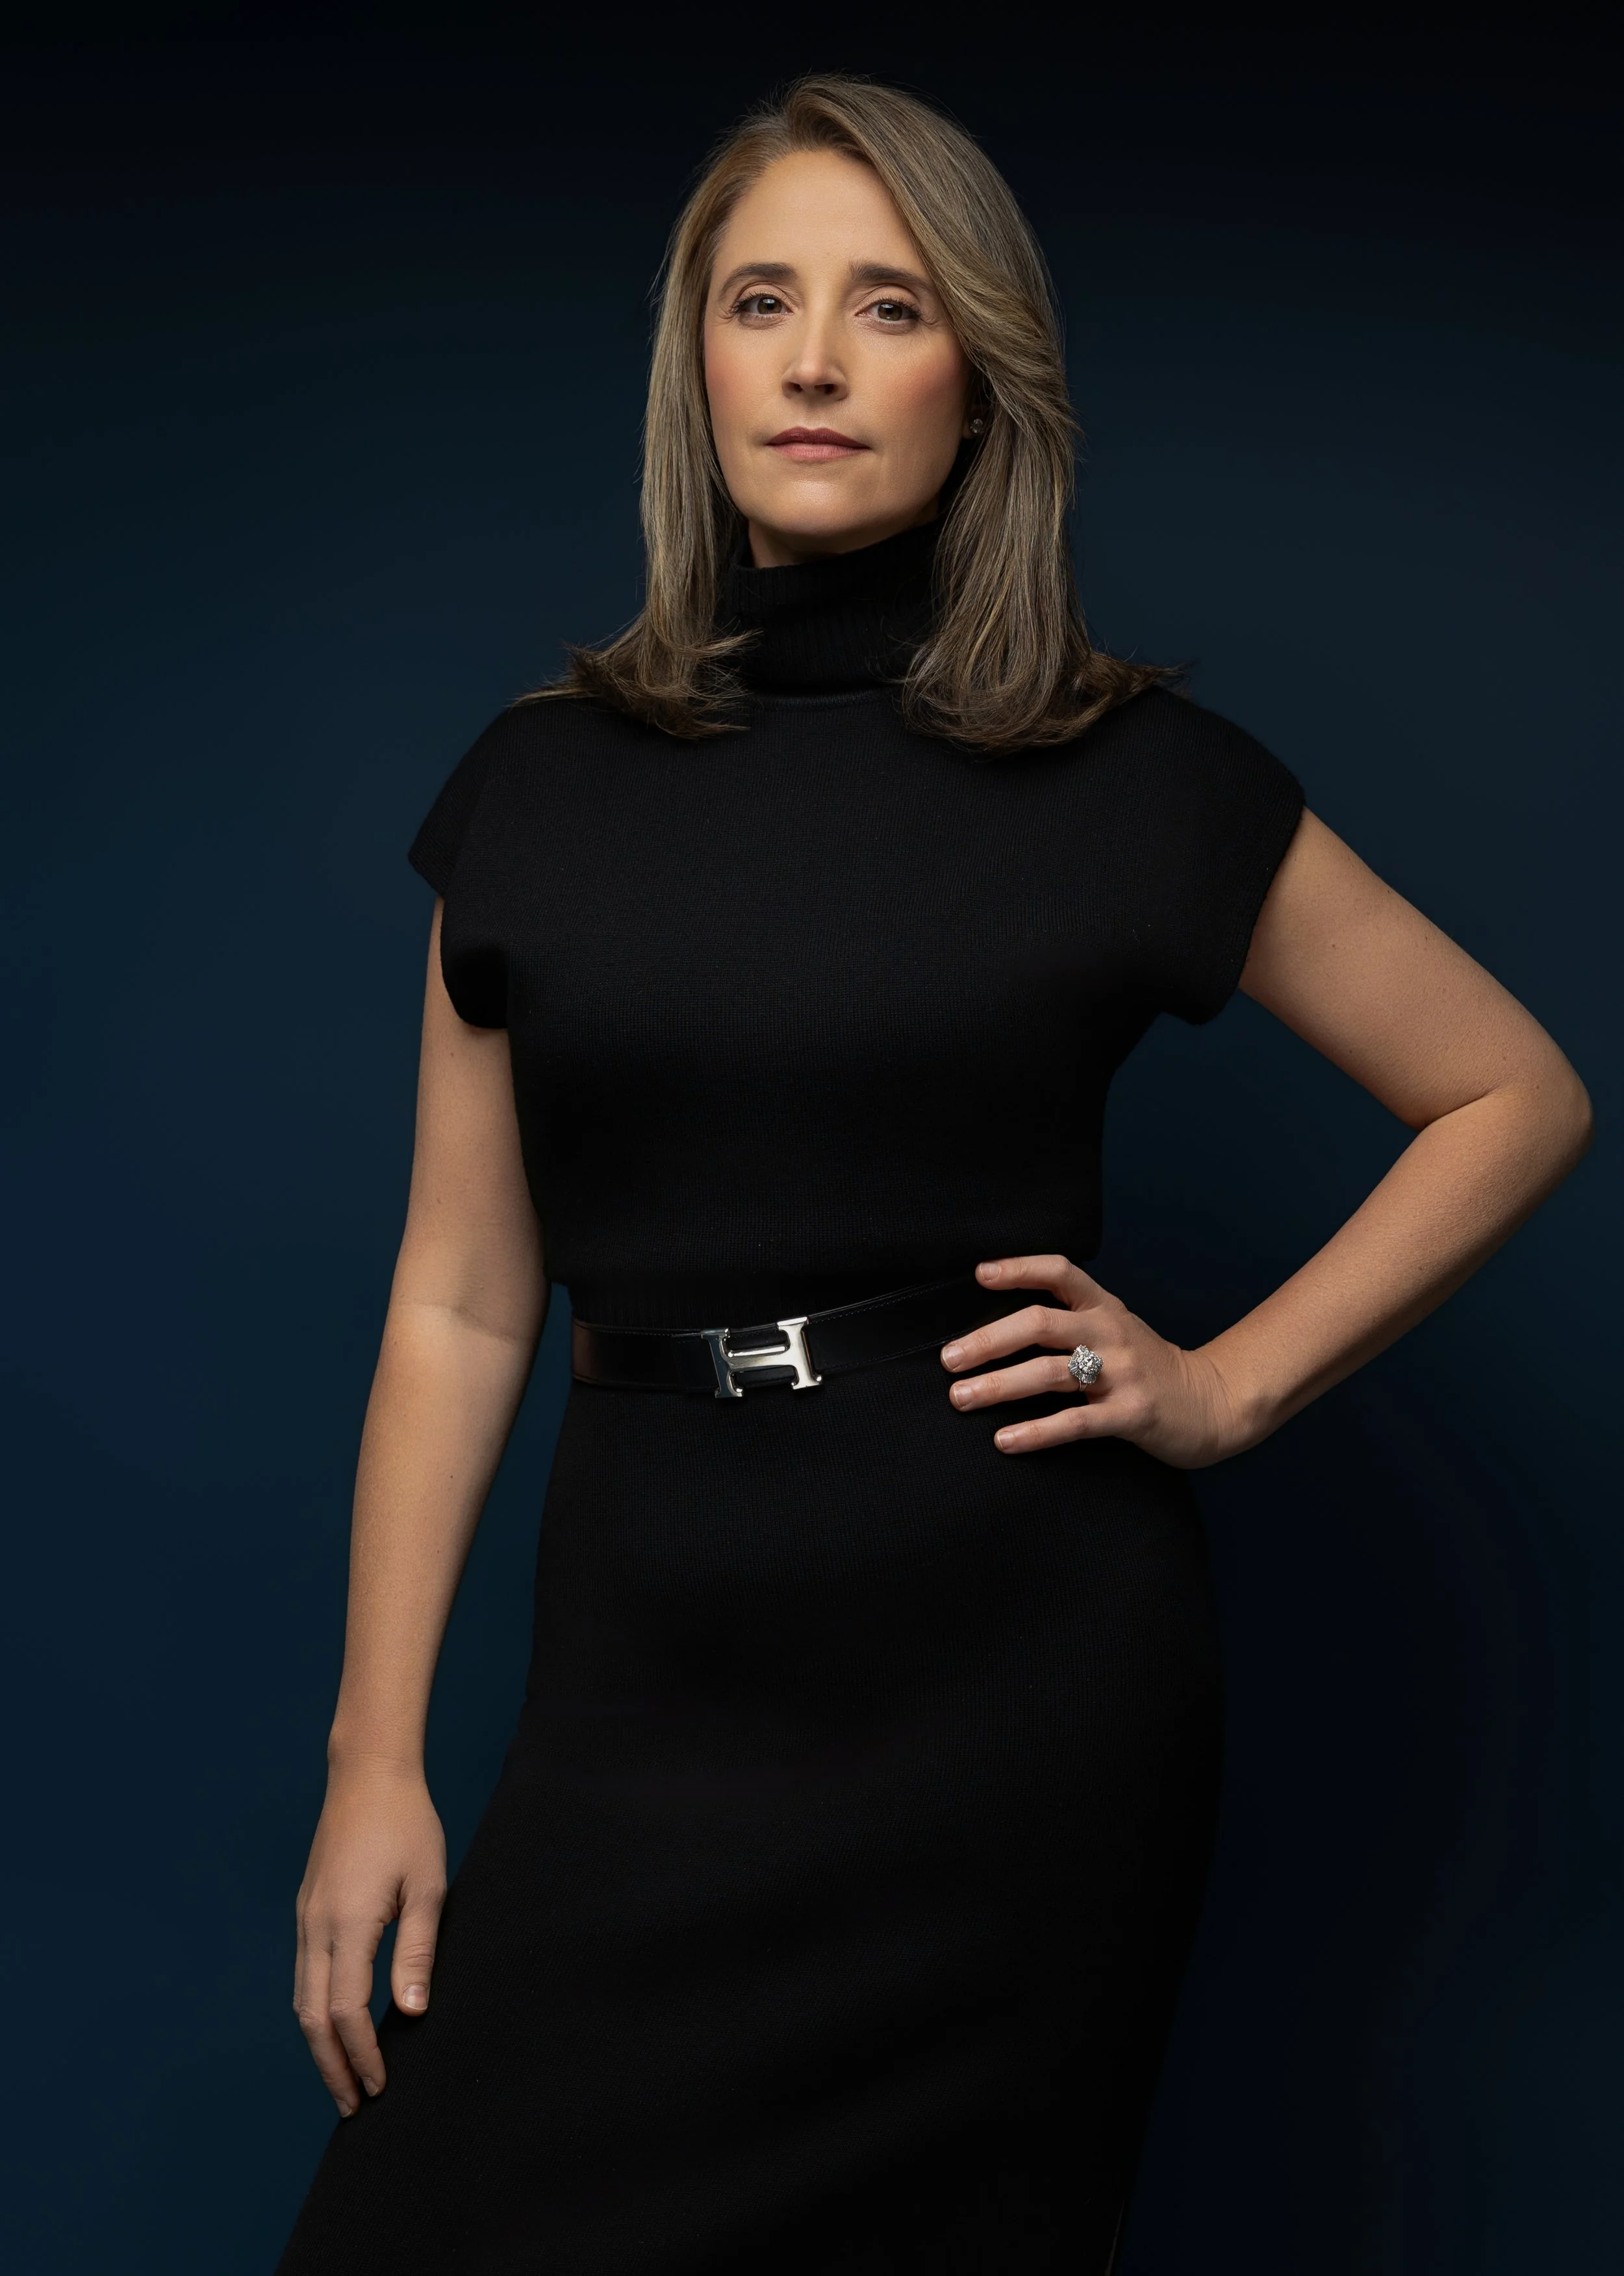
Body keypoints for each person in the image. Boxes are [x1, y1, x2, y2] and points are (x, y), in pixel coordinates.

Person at [275, 73, 1592, 2276]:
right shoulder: (534, 787)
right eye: (756, 299)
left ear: (980, 374)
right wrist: (370, 1760)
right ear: (690, 363)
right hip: (645, 1671)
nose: (809, 358)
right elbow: (460, 1298)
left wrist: (1230, 1387)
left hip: (1014, 1696)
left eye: (884, 304)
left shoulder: (1127, 775)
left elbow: (1511, 1093)